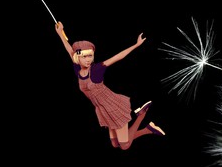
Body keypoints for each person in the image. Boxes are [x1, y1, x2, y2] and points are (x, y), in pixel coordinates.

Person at [55, 21, 164, 149]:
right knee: (115, 144)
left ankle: (141, 115)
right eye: (84, 57)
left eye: (90, 56)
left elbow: (118, 57)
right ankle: (149, 129)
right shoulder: (77, 69)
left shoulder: (96, 70)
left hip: (112, 106)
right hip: (102, 109)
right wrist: (60, 33)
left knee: (125, 146)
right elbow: (69, 49)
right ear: (77, 58)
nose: (88, 59)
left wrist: (136, 45)